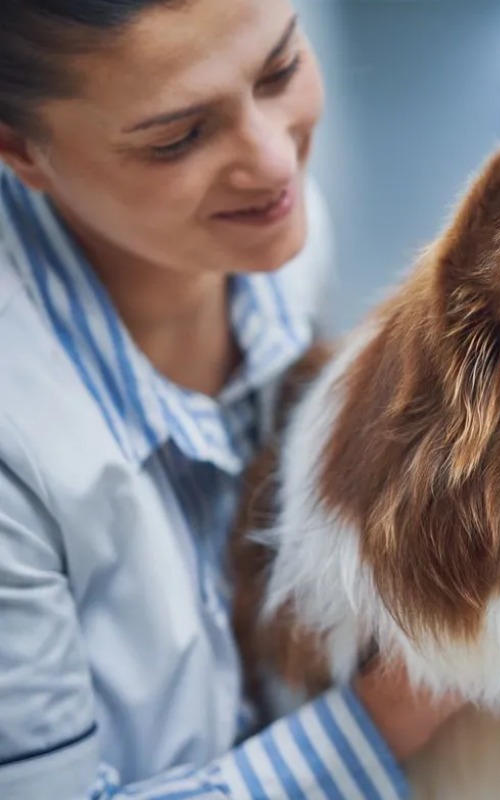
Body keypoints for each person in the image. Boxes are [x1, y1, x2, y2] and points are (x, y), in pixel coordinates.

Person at [0, 1, 462, 797]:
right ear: (21, 152)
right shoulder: (20, 438)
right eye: (178, 137)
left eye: (280, 69)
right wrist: (388, 718)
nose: (275, 161)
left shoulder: (281, 236)